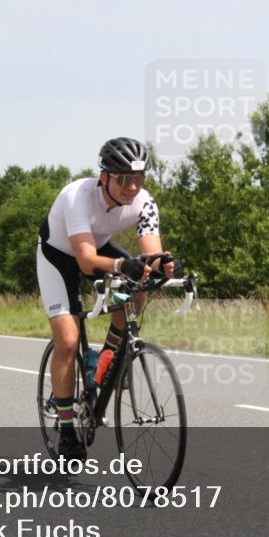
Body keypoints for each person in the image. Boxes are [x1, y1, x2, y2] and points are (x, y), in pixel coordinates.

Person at [37, 137, 181, 461]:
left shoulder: (145, 203)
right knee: (68, 340)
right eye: (124, 180)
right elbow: (86, 261)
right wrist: (121, 265)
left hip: (97, 246)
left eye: (138, 179)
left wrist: (164, 264)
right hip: (58, 255)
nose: (132, 187)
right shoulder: (77, 196)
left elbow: (151, 255)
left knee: (139, 289)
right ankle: (67, 428)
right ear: (104, 177)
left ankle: (104, 360)